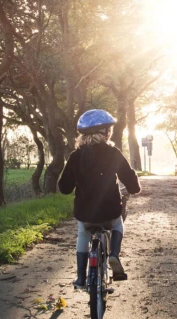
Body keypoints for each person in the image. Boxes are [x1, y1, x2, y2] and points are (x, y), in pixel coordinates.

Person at [58, 109, 141, 288]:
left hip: (85, 213)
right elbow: (129, 178)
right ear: (105, 132)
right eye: (108, 130)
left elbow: (64, 188)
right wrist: (134, 188)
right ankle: (114, 255)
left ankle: (81, 278)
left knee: (83, 233)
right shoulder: (113, 153)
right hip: (110, 210)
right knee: (118, 224)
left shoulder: (75, 156)